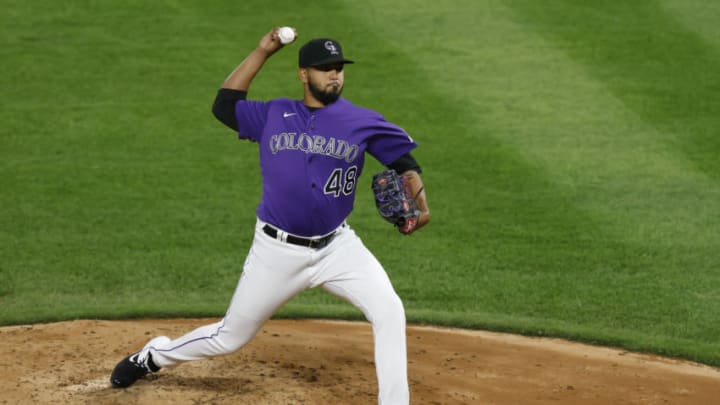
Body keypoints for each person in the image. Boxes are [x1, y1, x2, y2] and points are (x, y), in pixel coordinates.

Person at [109, 27, 430, 405]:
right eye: (325, 68)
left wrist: (422, 207)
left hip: (338, 247)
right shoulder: (273, 113)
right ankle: (154, 355)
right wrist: (263, 50)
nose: (334, 74)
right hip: (277, 251)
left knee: (389, 311)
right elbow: (224, 104)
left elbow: (405, 163)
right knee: (230, 337)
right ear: (303, 74)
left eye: (339, 67)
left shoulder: (362, 121)